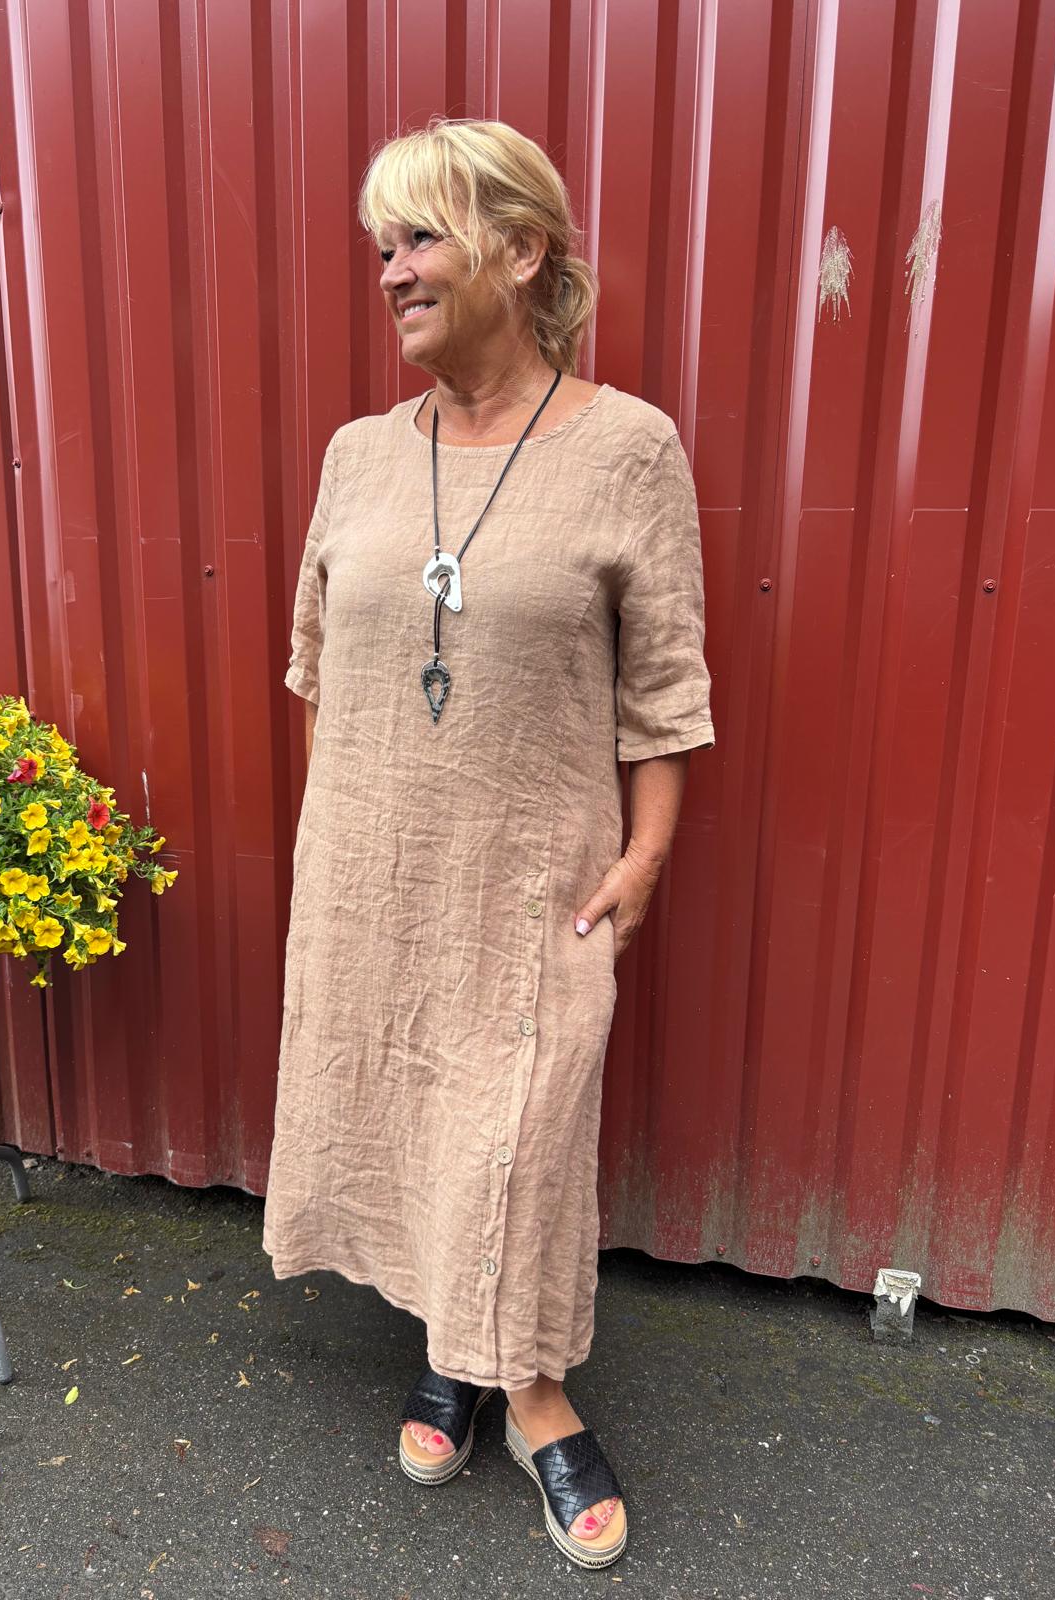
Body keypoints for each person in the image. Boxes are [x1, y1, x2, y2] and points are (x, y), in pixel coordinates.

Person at [261, 115, 714, 1571]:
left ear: (521, 252)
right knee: (408, 1110)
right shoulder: (358, 457)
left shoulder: (628, 450)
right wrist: (338, 837)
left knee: (520, 1121)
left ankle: (530, 1391)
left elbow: (665, 692)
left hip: (534, 877)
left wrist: (645, 864)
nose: (390, 269)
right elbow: (318, 664)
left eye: (420, 238)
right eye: (380, 245)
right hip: (373, 873)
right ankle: (454, 1349)